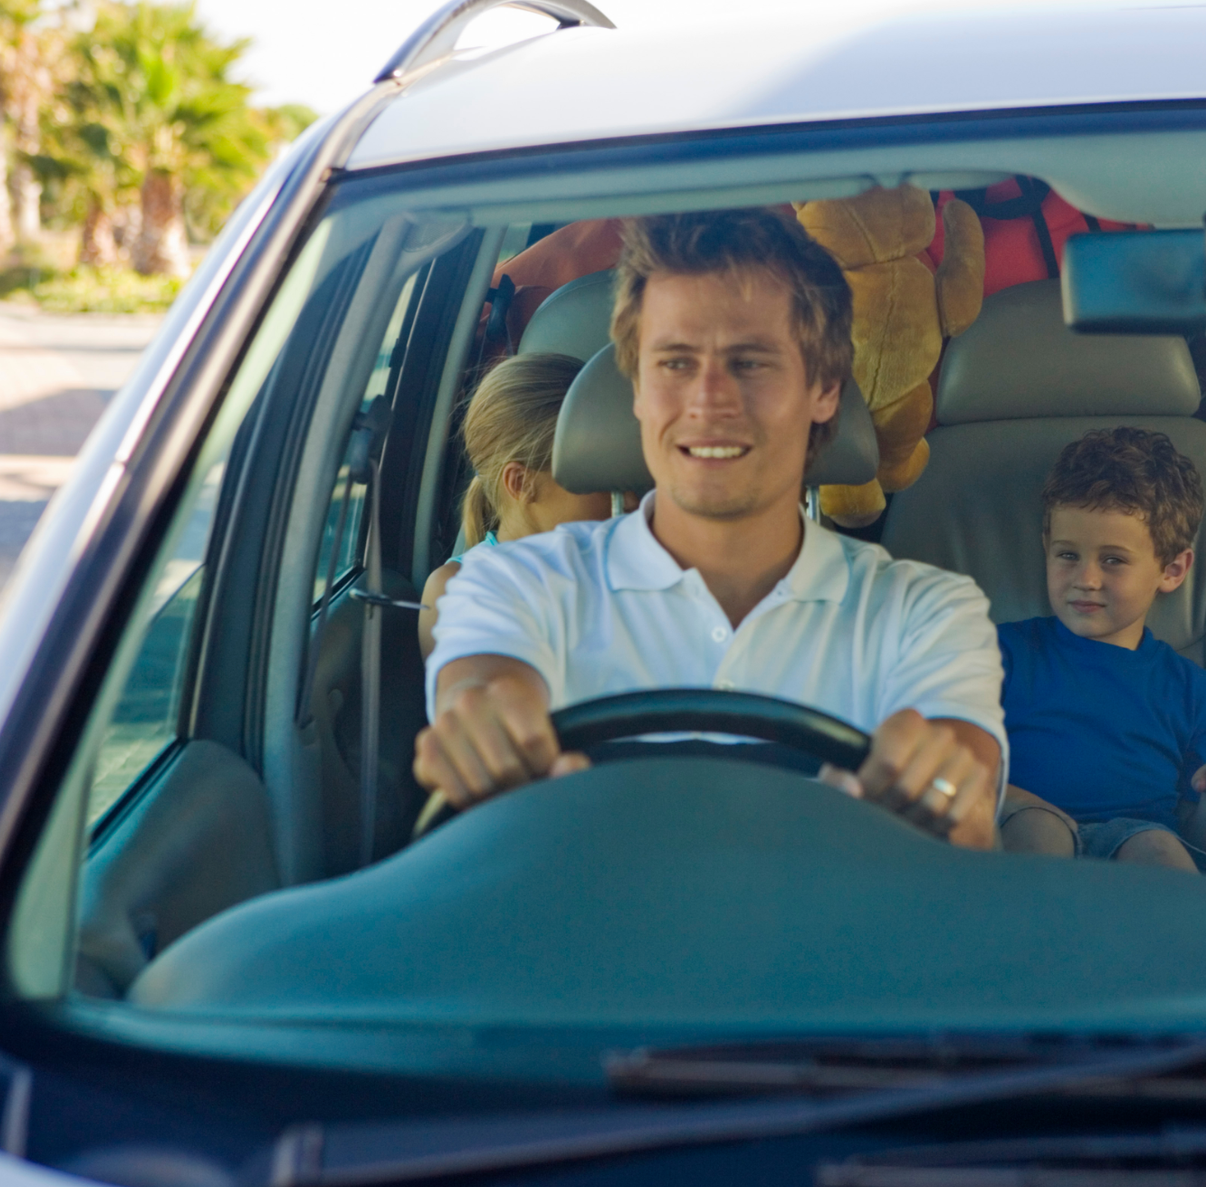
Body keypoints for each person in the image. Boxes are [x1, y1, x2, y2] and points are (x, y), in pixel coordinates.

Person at [414, 208, 1008, 847]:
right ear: (636, 388)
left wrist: (941, 789)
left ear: (826, 388)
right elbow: (482, 680)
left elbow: (964, 786)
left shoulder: (928, 613)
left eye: (751, 362)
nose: (709, 401)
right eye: (674, 363)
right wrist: (487, 725)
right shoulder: (510, 586)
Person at [995, 428, 1206, 874]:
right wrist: (1025, 805)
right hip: (1017, 836)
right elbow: (948, 764)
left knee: (1157, 849)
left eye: (1113, 560)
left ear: (1172, 569)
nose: (1087, 579)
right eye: (1067, 555)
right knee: (1038, 833)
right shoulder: (999, 655)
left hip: (1140, 849)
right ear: (1046, 548)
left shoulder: (1199, 695)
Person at [416, 352, 617, 657]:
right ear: (521, 484)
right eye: (598, 476)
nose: (628, 497)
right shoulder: (456, 591)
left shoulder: (628, 557)